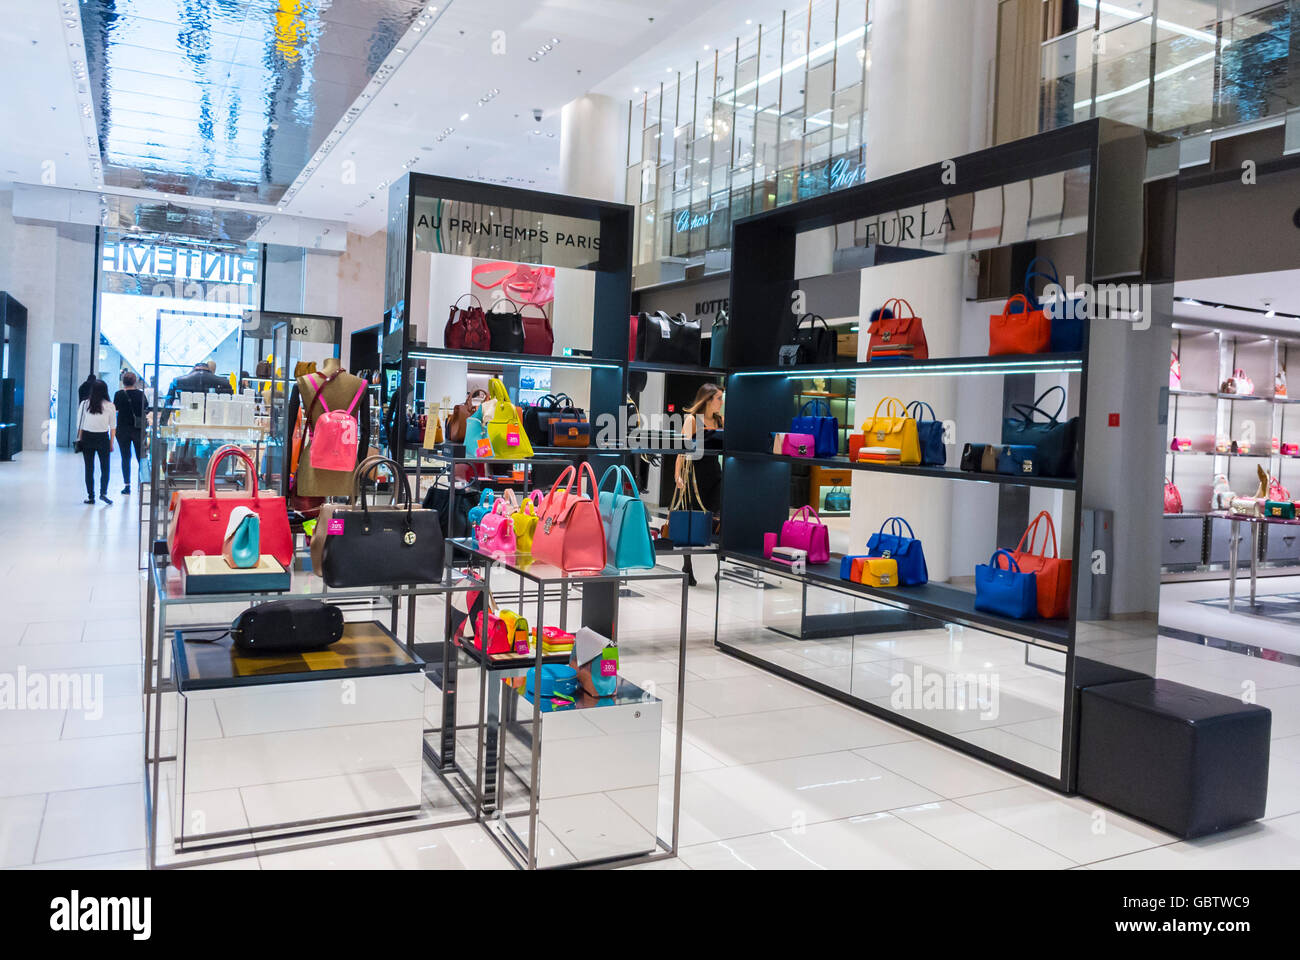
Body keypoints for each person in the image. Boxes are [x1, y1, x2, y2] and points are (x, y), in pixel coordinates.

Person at [674, 383, 724, 586]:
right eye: (719, 398)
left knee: (719, 518)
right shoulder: (693, 420)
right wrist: (677, 476)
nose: (721, 402)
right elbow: (681, 450)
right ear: (708, 399)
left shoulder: (720, 420)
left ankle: (719, 566)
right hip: (695, 474)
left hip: (715, 473)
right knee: (692, 519)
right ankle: (688, 564)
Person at [76, 379, 116, 505]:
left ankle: (91, 496)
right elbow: (113, 426)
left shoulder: (84, 404)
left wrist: (80, 439)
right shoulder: (110, 406)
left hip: (87, 437)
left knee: (89, 468)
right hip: (103, 438)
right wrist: (111, 443)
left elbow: (80, 424)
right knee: (105, 468)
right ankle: (103, 493)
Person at [113, 370, 146, 495]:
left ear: (123, 381)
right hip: (138, 429)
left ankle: (127, 485)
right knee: (140, 458)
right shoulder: (140, 394)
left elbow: (115, 408)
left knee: (125, 457)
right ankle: (141, 484)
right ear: (135, 381)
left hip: (122, 430)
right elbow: (146, 408)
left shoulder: (119, 394)